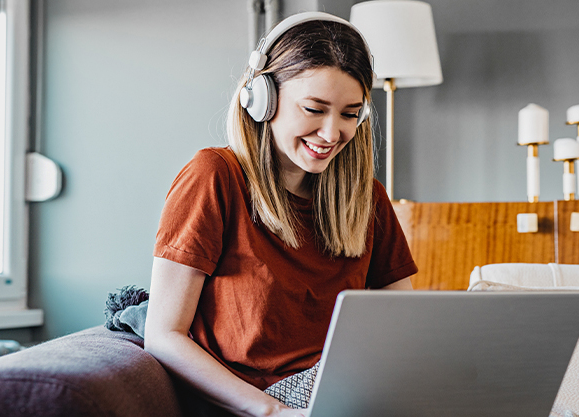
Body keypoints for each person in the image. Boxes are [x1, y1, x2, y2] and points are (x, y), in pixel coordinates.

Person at [144, 12, 418, 417]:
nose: (331, 133)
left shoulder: (368, 200)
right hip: (263, 406)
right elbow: (164, 336)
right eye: (313, 108)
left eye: (348, 114)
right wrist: (272, 412)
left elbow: (407, 329)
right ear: (261, 99)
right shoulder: (214, 177)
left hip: (350, 397)